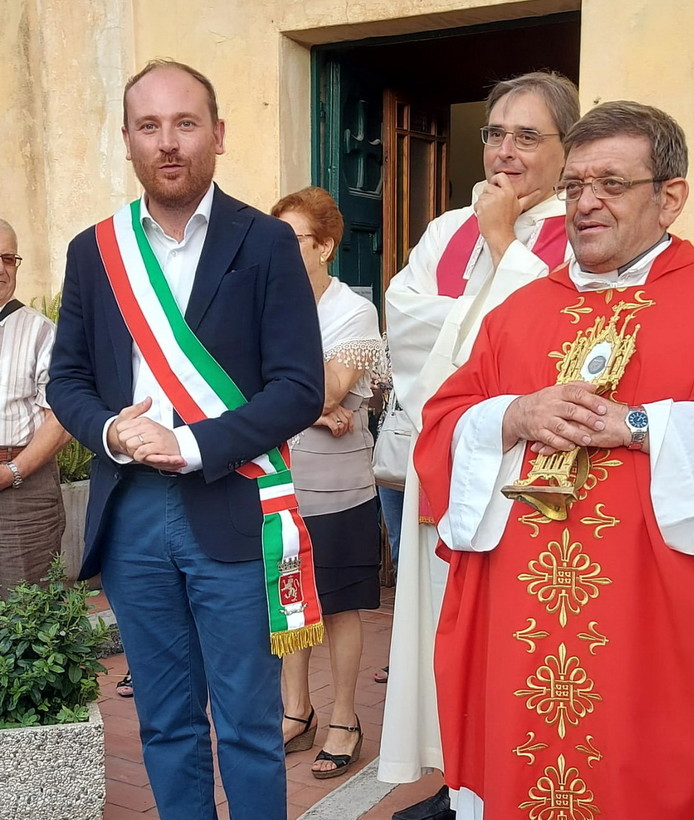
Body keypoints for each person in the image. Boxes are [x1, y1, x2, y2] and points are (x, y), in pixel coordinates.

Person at [47, 60, 325, 820]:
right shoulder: (93, 251)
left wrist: (196, 445)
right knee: (164, 724)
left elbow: (299, 386)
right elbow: (66, 377)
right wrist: (110, 429)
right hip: (131, 514)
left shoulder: (267, 243)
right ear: (129, 141)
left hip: (231, 509)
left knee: (249, 728)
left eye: (185, 123)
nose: (168, 142)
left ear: (218, 135)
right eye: (149, 126)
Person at [415, 100, 694, 819]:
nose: (586, 203)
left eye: (611, 183)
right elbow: (440, 428)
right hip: (523, 624)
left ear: (670, 197)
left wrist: (640, 426)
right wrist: (511, 415)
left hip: (655, 624)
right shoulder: (516, 314)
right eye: (574, 186)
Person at [379, 71, 580, 819]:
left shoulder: (579, 229)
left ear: (568, 147)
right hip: (454, 457)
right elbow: (406, 326)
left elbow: (554, 344)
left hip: (529, 476)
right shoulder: (445, 228)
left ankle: (514, 770)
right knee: (441, 627)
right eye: (496, 133)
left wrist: (502, 252)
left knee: (515, 634)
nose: (505, 151)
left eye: (528, 136)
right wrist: (486, 297)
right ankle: (457, 776)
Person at [271, 186, 383, 778]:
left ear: (327, 247)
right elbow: (244, 387)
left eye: (294, 242)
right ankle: (297, 711)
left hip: (340, 487)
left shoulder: (351, 311)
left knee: (338, 605)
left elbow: (329, 389)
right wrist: (309, 407)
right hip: (281, 478)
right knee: (290, 597)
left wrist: (304, 400)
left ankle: (344, 717)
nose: (281, 253)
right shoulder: (269, 305)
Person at [0, 219, 70, 598]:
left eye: (8, 258)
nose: (0, 268)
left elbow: (60, 420)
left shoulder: (41, 332)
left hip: (22, 493)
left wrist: (11, 472)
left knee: (25, 614)